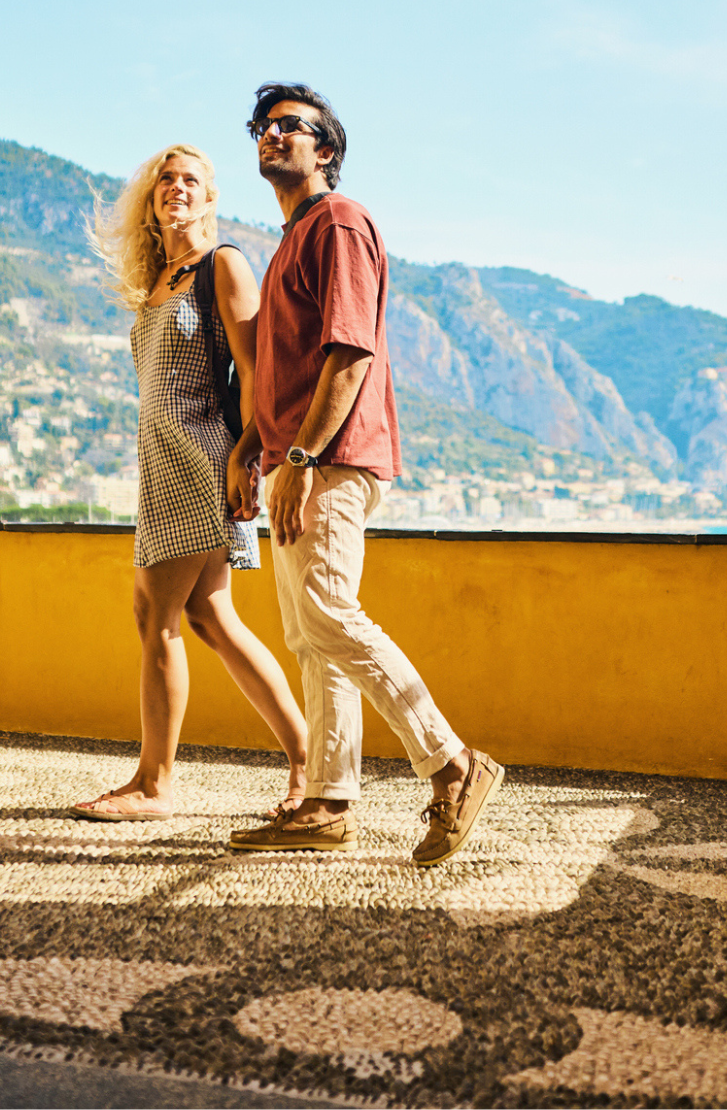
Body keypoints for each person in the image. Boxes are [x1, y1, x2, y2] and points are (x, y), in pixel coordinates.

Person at [227, 86, 504, 865]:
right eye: (263, 126)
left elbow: (351, 352)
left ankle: (452, 764)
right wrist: (253, 445)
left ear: (326, 151)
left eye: (291, 126)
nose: (271, 135)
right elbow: (288, 369)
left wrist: (305, 459)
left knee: (324, 613)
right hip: (296, 459)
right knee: (311, 636)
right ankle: (326, 799)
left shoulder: (339, 224)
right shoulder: (291, 239)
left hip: (332, 459)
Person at [70, 143, 307, 821]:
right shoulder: (160, 282)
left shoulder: (222, 266)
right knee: (209, 615)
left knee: (157, 615)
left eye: (191, 180)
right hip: (162, 460)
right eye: (165, 180)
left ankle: (154, 784)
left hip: (205, 456)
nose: (177, 187)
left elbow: (259, 371)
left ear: (210, 198)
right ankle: (306, 758)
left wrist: (251, 457)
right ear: (152, 200)